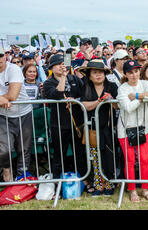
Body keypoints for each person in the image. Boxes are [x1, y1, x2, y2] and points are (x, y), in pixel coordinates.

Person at [42, 54, 88, 187]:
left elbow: (83, 94)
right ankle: (56, 184)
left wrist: (75, 101)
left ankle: (83, 180)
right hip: (59, 124)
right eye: (58, 64)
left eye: (64, 63)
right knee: (59, 156)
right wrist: (62, 78)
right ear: (52, 67)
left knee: (79, 154)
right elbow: (56, 95)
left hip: (76, 123)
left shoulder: (74, 78)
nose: (62, 66)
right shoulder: (48, 82)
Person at [117, 60, 148, 202]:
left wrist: (136, 96)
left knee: (144, 160)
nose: (134, 75)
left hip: (143, 127)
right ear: (126, 74)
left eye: (136, 71)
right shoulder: (122, 88)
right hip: (125, 129)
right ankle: (132, 190)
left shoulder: (145, 83)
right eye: (130, 72)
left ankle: (145, 189)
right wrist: (143, 98)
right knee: (129, 160)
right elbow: (128, 107)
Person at [79, 60, 118, 196]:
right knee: (94, 157)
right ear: (89, 75)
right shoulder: (85, 87)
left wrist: (111, 99)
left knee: (108, 156)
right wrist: (99, 101)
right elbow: (84, 105)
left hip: (108, 127)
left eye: (101, 72)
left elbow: (117, 106)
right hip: (92, 128)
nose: (98, 75)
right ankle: (98, 185)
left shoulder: (112, 86)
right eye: (95, 73)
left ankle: (109, 183)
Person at [0, 48, 34, 182]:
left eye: (1, 55)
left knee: (24, 148)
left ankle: (22, 177)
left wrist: (5, 99)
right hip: (3, 115)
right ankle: (7, 174)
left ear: (6, 56)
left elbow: (13, 95)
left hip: (23, 112)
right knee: (4, 148)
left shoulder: (13, 69)